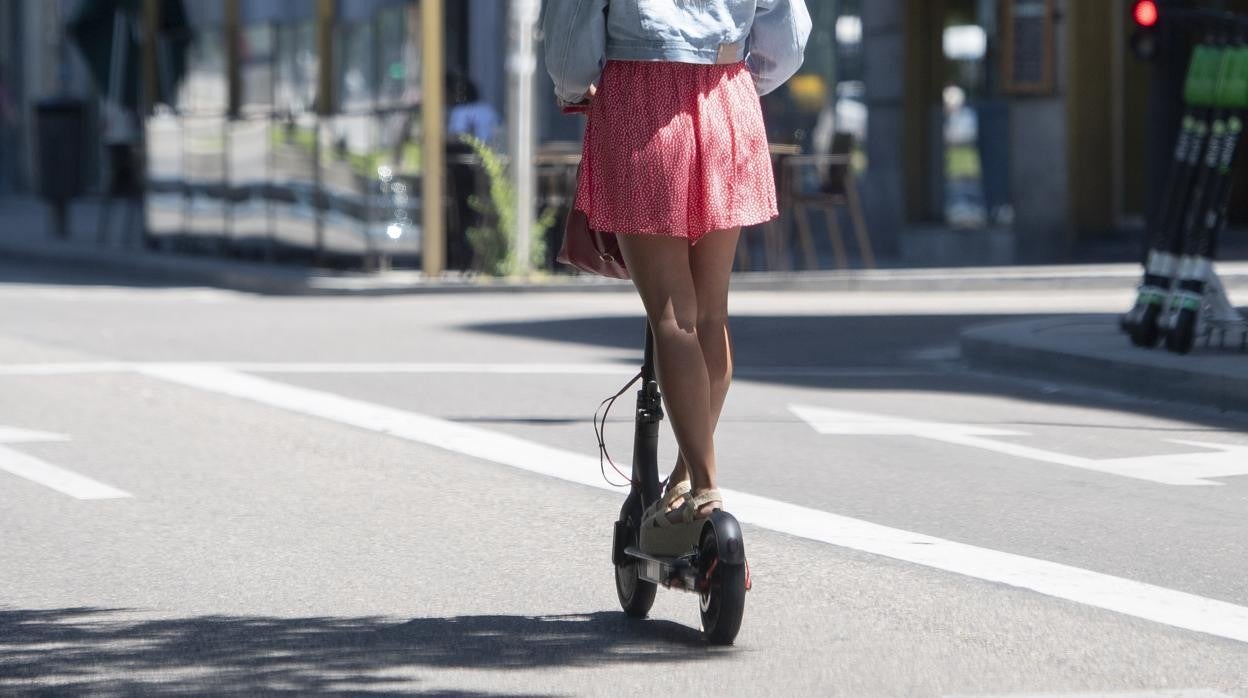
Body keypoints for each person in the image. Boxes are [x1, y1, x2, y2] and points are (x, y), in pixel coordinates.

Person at [542, 0, 811, 555]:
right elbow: (788, 36)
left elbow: (571, 37)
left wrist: (575, 89)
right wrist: (739, 81)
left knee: (673, 316)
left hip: (642, 100)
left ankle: (705, 487)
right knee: (711, 313)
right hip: (728, 97)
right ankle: (685, 481)